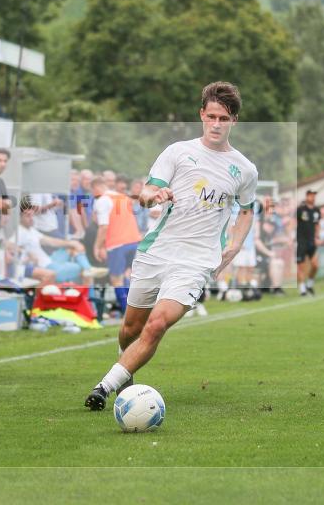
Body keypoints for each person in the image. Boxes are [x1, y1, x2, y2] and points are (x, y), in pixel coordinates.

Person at [85, 81, 258, 410]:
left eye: (223, 118)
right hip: (157, 252)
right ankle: (125, 366)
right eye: (211, 117)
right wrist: (155, 194)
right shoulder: (178, 152)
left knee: (158, 323)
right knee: (129, 329)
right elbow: (146, 192)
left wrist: (234, 246)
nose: (216, 124)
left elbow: (247, 211)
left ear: (234, 120)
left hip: (196, 262)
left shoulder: (245, 170)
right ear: (201, 115)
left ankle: (104, 388)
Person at [16, 199, 106, 284]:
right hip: (43, 267)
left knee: (73, 248)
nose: (31, 218)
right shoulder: (18, 233)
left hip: (49, 260)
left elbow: (51, 241)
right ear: (19, 217)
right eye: (28, 216)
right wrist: (27, 257)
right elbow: (12, 251)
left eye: (32, 215)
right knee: (82, 270)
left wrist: (72, 243)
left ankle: (88, 269)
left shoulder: (31, 230)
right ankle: (88, 272)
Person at [91, 175, 142, 314]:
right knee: (127, 274)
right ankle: (134, 309)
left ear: (96, 188)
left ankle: (127, 312)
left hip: (117, 244)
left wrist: (97, 246)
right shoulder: (122, 197)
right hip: (133, 240)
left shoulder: (102, 200)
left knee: (116, 279)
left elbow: (104, 226)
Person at [296, 189, 321, 296]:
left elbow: (317, 224)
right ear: (307, 196)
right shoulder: (301, 209)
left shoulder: (316, 210)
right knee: (301, 266)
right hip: (301, 241)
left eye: (314, 196)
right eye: (311, 195)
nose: (313, 198)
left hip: (312, 241)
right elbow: (294, 222)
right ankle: (302, 289)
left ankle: (309, 284)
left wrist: (317, 237)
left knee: (315, 265)